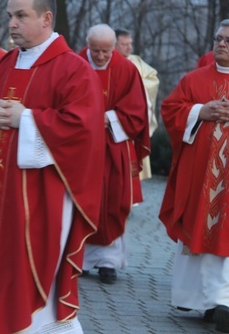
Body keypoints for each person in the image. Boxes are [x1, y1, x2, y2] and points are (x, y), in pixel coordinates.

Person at [0, 0, 104, 333]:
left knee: (34, 264)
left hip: (43, 196)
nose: (12, 24)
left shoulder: (73, 68)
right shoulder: (5, 64)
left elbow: (83, 127)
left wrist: (28, 118)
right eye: (10, 16)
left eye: (21, 16)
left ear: (46, 19)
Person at [159, 19, 229, 333]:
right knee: (199, 229)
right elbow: (171, 107)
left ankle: (227, 304)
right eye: (218, 39)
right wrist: (199, 112)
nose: (221, 44)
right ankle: (202, 301)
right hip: (199, 174)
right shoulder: (195, 78)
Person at [78, 24, 150, 285]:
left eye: (106, 51)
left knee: (112, 201)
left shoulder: (125, 69)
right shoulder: (75, 63)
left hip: (112, 144)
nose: (99, 56)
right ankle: (80, 260)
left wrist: (108, 118)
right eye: (95, 50)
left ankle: (109, 262)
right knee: (82, 202)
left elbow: (136, 110)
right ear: (88, 44)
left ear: (114, 47)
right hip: (81, 145)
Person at [115, 28, 160, 204]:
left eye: (130, 44)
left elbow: (153, 78)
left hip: (133, 119)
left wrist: (137, 86)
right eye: (124, 44)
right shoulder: (108, 61)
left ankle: (130, 197)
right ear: (115, 43)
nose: (128, 48)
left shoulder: (136, 61)